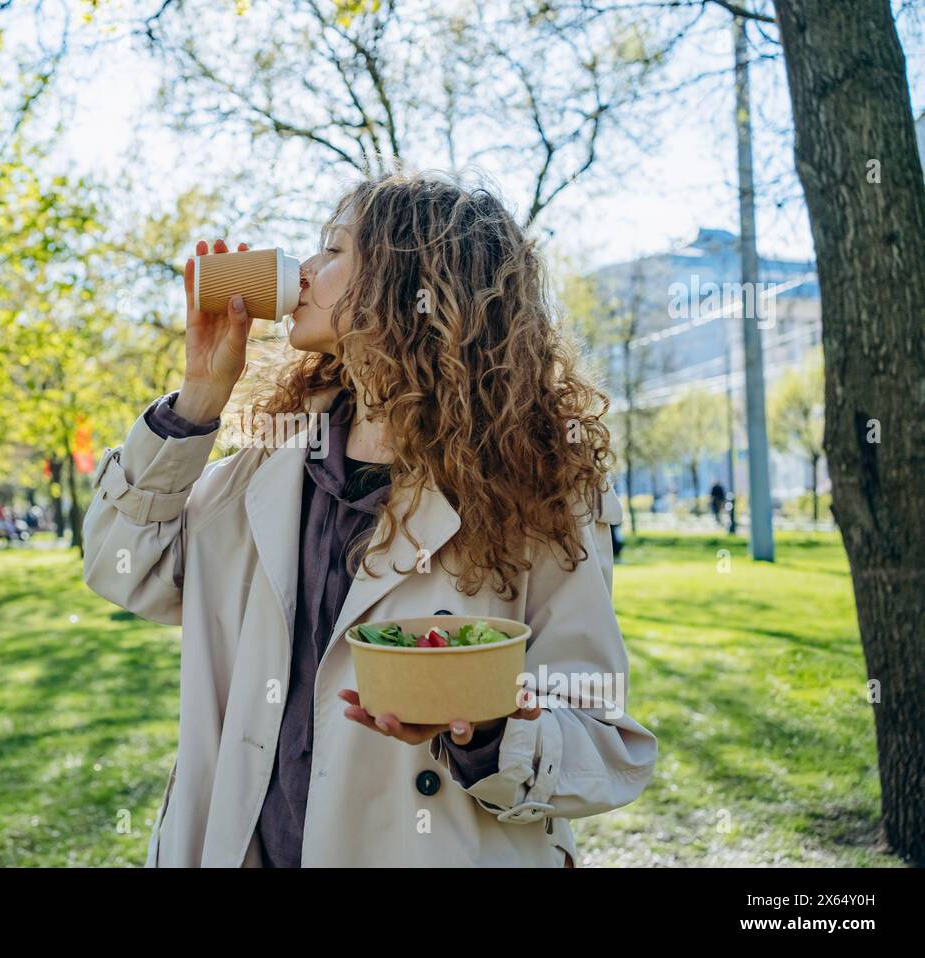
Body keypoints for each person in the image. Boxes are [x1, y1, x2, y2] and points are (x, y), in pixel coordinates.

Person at [83, 169, 657, 869]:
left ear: (413, 285)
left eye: (332, 250)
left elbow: (599, 735)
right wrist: (201, 395)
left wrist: (487, 731)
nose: (301, 274)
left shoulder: (535, 492)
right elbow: (123, 568)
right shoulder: (267, 466)